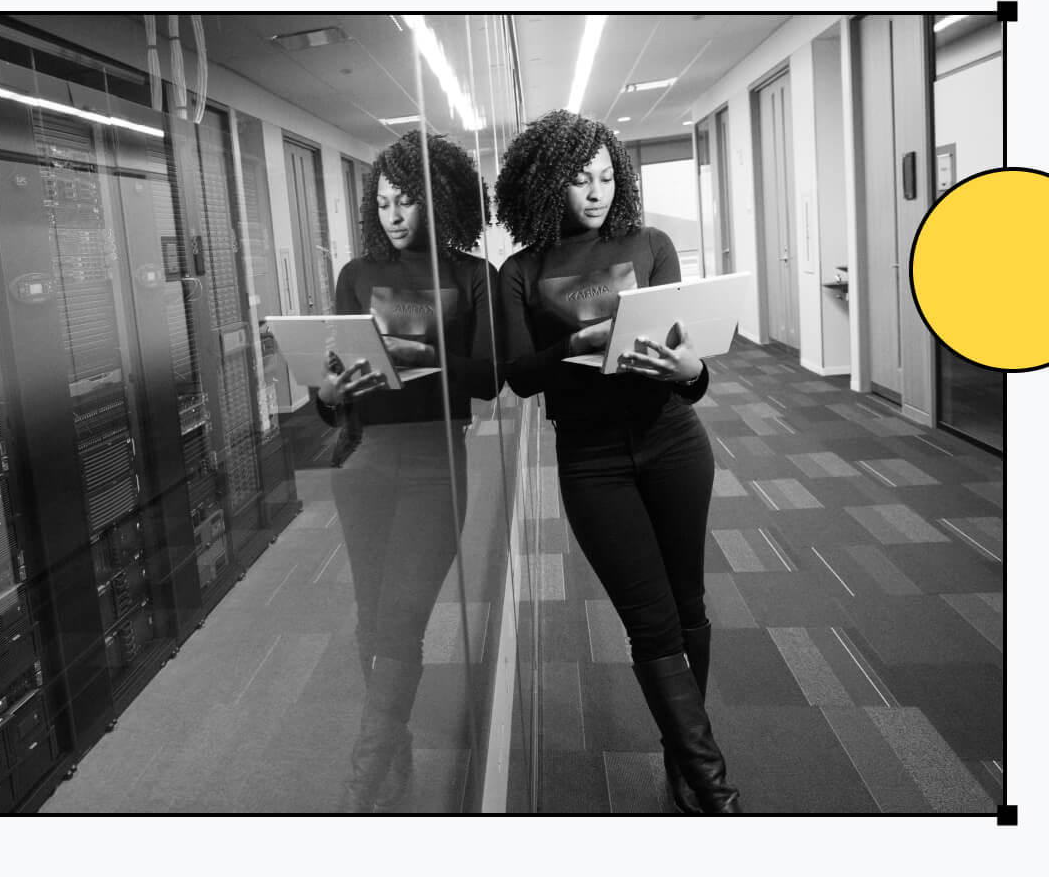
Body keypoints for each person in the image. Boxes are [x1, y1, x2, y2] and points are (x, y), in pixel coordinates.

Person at [495, 110, 742, 814]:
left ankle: (684, 761)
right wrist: (587, 342)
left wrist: (692, 368)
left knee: (688, 604)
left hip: (672, 440)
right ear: (546, 185)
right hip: (591, 459)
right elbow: (518, 373)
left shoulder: (652, 244)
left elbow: (685, 372)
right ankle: (716, 788)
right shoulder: (522, 270)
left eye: (606, 176)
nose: (596, 192)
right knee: (650, 620)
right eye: (579, 180)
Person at [312, 130, 500, 812]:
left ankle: (363, 777)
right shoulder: (357, 274)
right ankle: (390, 743)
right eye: (384, 202)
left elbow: (488, 380)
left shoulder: (473, 275)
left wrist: (422, 356)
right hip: (365, 459)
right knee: (372, 617)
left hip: (434, 461)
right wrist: (327, 395)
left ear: (440, 198)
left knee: (401, 614)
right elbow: (335, 381)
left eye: (407, 201)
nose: (394, 215)